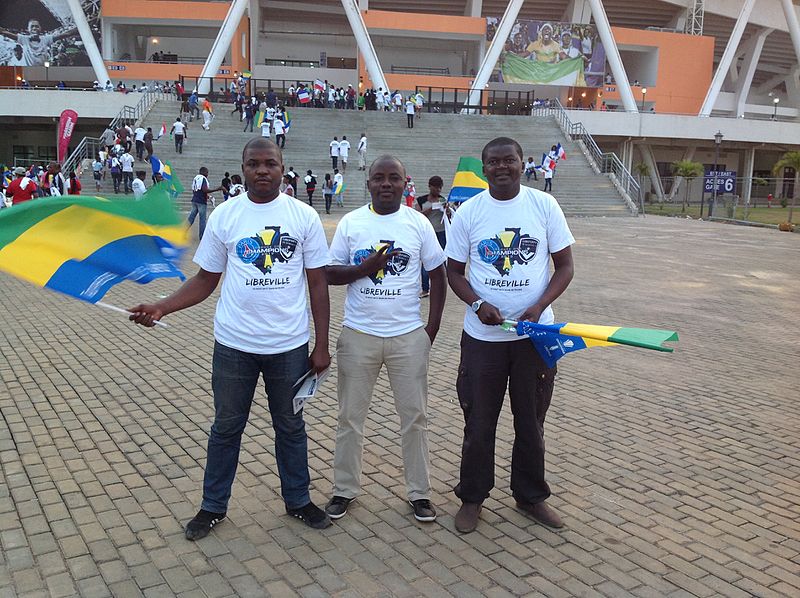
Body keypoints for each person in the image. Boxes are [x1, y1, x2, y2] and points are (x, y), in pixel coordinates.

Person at [128, 137, 333, 540]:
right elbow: (205, 279)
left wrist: (321, 344)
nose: (262, 170)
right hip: (234, 345)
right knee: (226, 428)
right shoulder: (225, 216)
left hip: (288, 346)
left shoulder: (304, 216)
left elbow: (318, 285)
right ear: (243, 169)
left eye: (270, 163)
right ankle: (212, 507)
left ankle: (298, 500)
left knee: (290, 427)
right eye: (254, 163)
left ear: (282, 167)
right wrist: (162, 307)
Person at [445, 137, 575, 534]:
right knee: (479, 422)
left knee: (531, 420)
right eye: (493, 162)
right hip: (484, 339)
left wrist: (539, 306)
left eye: (509, 160)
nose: (502, 167)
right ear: (484, 169)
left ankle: (530, 496)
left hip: (533, 337)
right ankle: (472, 497)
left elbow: (565, 266)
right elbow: (453, 271)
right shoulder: (470, 212)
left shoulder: (543, 205)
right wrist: (476, 304)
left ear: (523, 164)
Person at [324, 154, 446, 523]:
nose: (386, 184)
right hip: (358, 335)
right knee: (349, 418)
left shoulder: (418, 224)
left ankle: (419, 493)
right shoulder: (352, 222)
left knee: (415, 418)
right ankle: (344, 490)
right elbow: (329, 272)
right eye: (379, 177)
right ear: (369, 183)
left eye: (394, 178)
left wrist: (431, 330)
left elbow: (438, 276)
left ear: (405, 183)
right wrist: (364, 269)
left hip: (408, 337)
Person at [415, 176, 448, 297]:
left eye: (440, 188)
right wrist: (431, 209)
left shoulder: (443, 200)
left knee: (441, 260)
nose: (438, 190)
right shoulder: (422, 200)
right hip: (427, 234)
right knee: (426, 261)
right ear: (430, 187)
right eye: (436, 187)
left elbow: (448, 217)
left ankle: (440, 287)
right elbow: (417, 216)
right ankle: (425, 288)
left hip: (441, 233)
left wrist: (446, 210)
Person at [187, 167, 221, 240]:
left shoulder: (196, 178)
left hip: (195, 200)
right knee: (202, 219)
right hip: (201, 202)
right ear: (204, 172)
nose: (207, 174)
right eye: (207, 172)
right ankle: (202, 237)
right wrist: (218, 189)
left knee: (191, 218)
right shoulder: (203, 179)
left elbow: (195, 190)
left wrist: (208, 196)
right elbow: (205, 190)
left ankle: (182, 232)